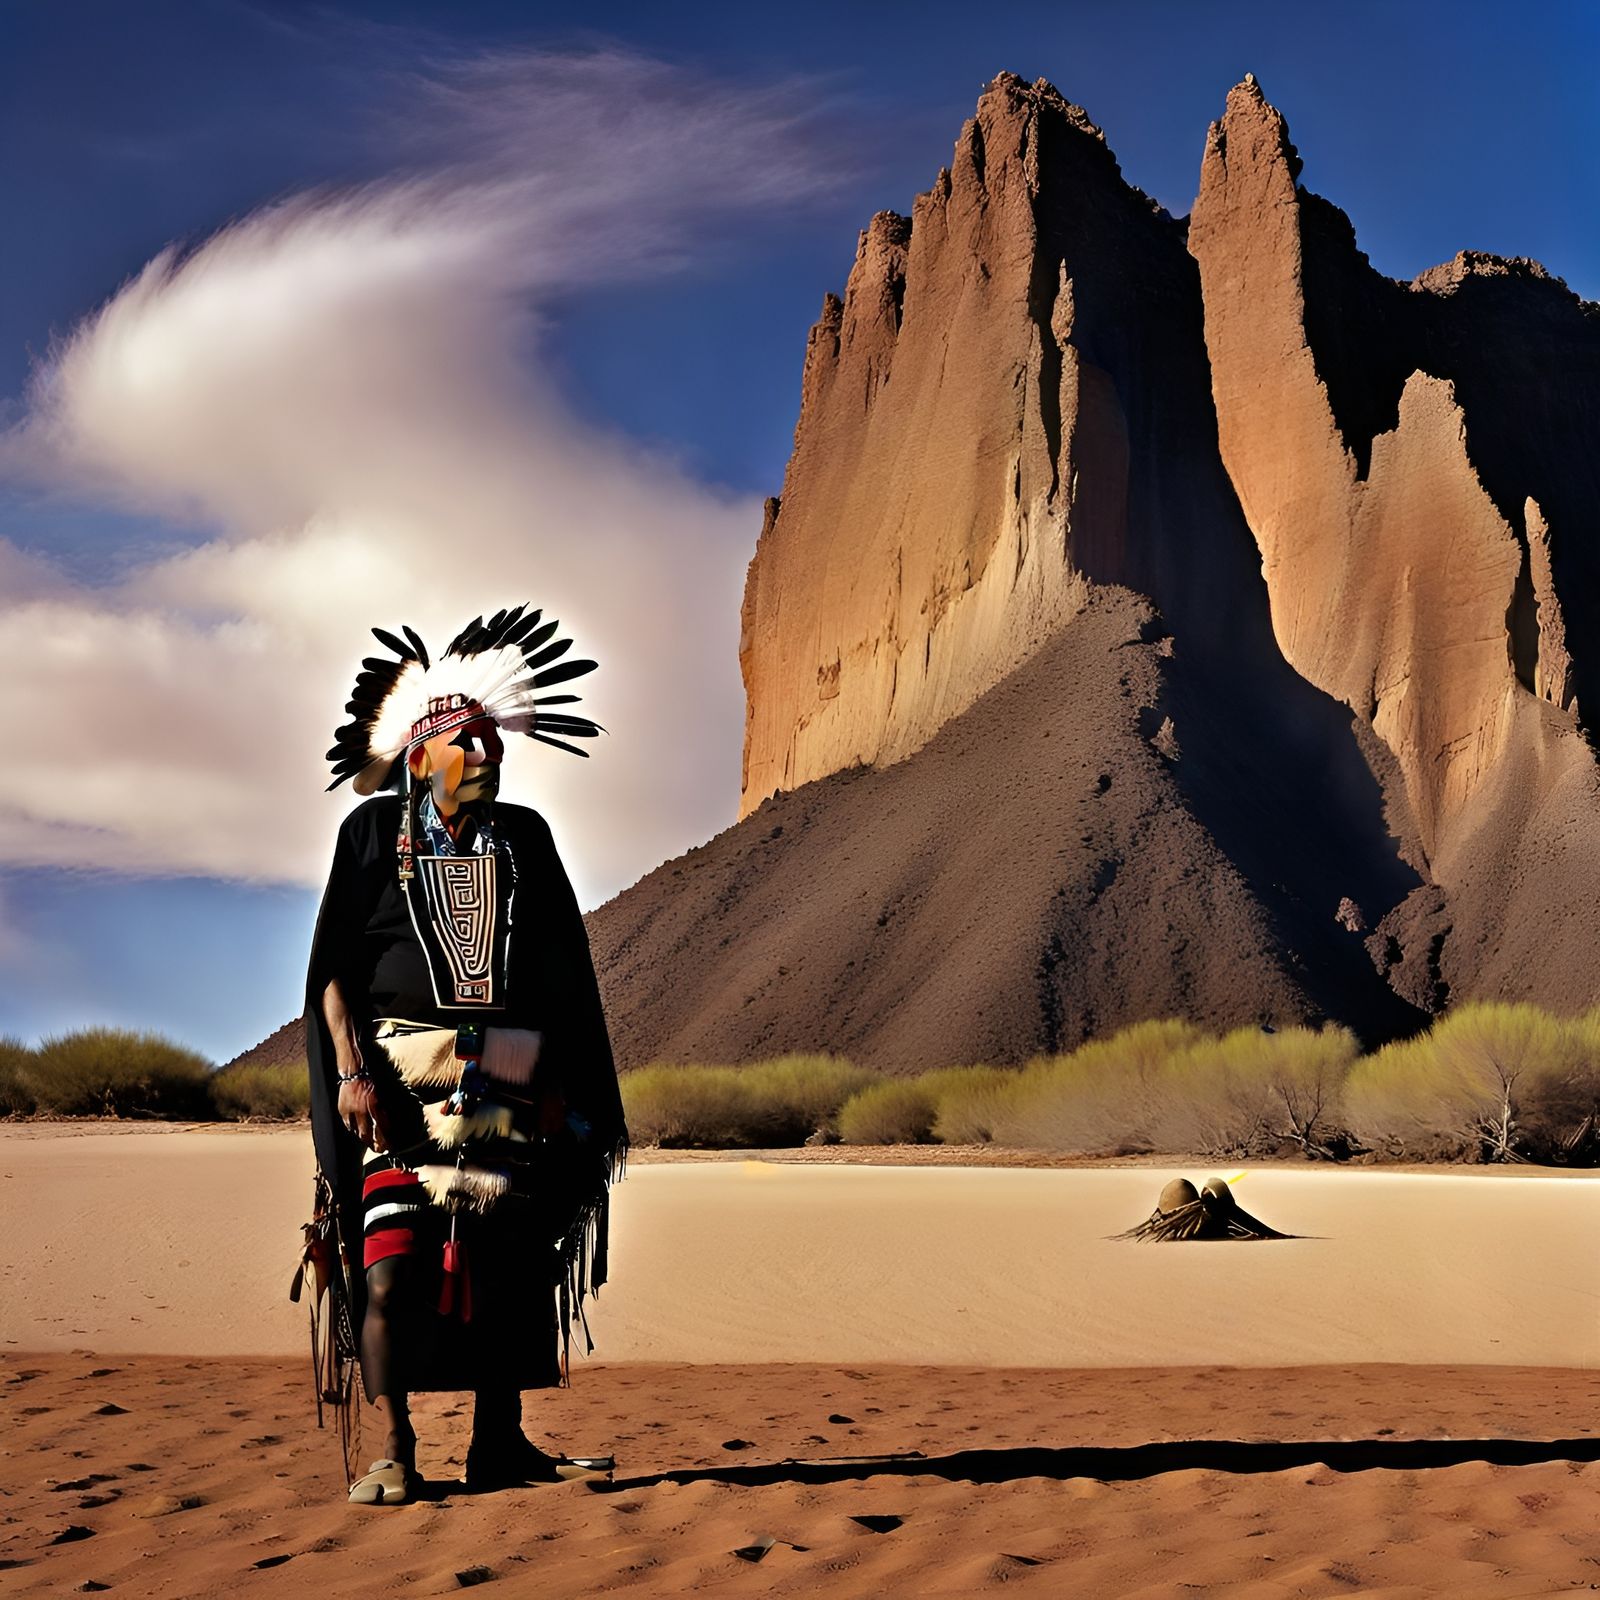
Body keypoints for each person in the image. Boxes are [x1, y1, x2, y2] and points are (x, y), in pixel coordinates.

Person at [303, 604, 626, 1505]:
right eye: (468, 741)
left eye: (493, 740)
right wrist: (351, 1070)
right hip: (402, 1084)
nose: (486, 754)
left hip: (512, 1078)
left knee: (510, 1267)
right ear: (417, 756)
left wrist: (559, 1080)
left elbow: (560, 972)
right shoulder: (369, 836)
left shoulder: (525, 839)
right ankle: (395, 1449)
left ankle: (500, 1445)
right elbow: (333, 967)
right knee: (393, 1265)